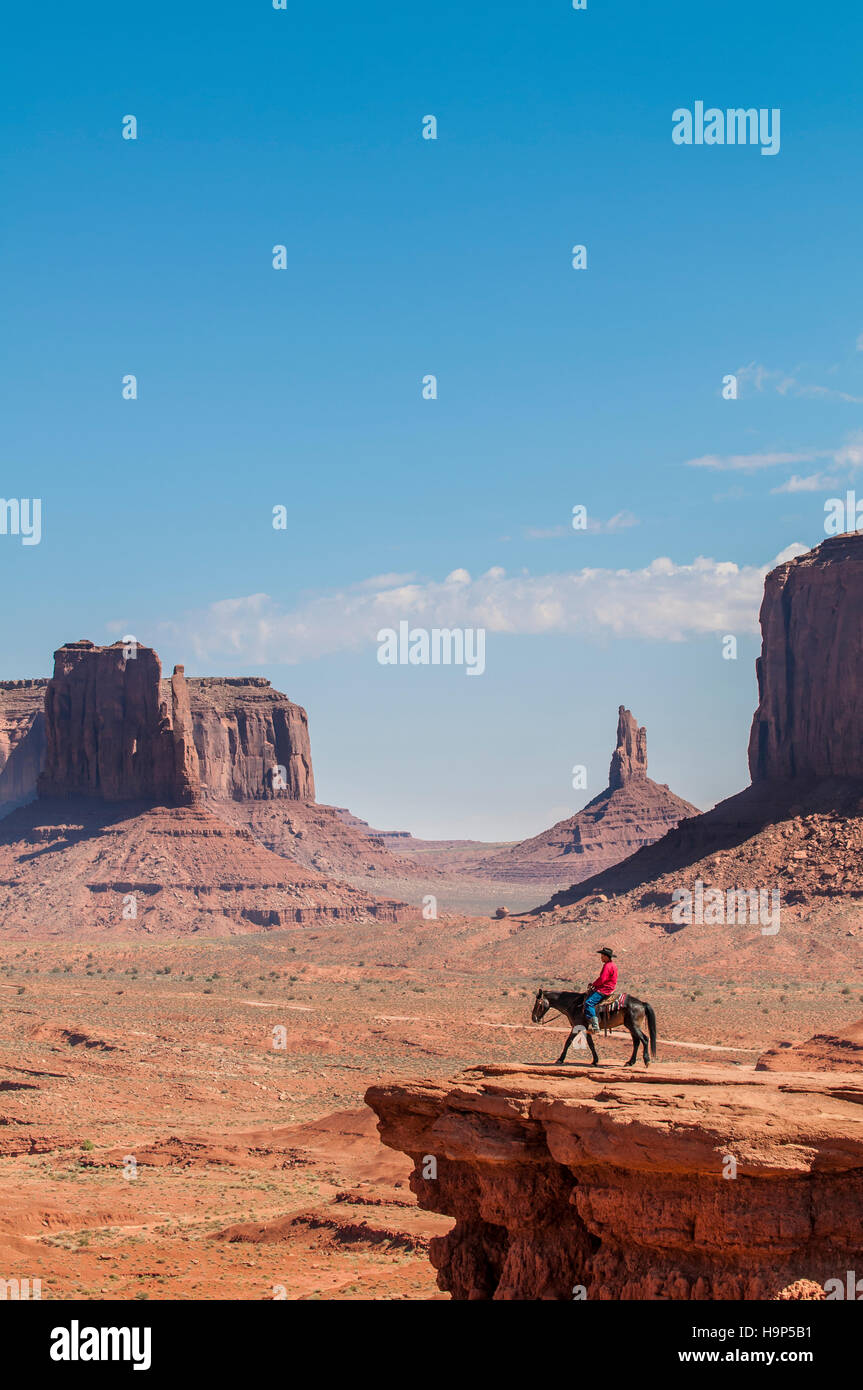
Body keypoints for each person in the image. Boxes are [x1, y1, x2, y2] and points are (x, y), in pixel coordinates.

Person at [584, 947, 618, 1033]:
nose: (601, 957)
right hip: (609, 988)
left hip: (605, 989)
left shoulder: (607, 966)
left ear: (607, 956)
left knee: (589, 1002)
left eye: (602, 956)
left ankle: (595, 1026)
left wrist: (594, 984)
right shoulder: (613, 965)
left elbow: (602, 979)